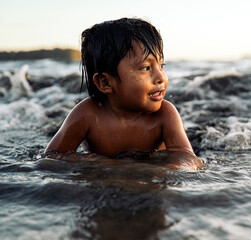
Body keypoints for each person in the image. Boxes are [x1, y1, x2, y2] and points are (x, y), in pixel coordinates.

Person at [44, 18, 204, 170]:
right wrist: (92, 164)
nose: (161, 77)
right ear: (105, 82)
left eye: (161, 65)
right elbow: (51, 157)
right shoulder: (87, 115)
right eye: (146, 68)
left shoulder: (164, 114)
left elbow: (188, 158)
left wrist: (163, 170)